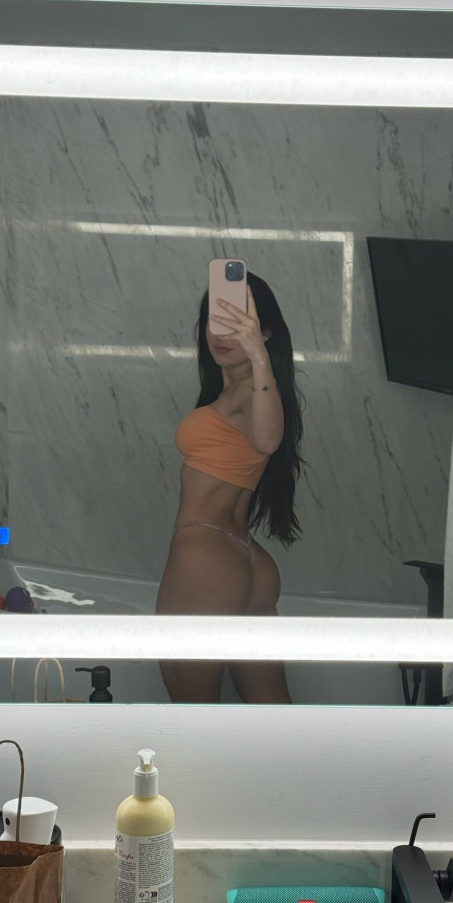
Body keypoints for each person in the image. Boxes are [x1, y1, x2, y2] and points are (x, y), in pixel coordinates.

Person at [156, 271, 304, 702]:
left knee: (195, 718)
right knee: (274, 717)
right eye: (216, 321)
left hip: (206, 560)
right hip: (246, 563)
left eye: (239, 325)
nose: (221, 335)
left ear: (265, 333)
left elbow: (269, 440)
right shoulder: (236, 392)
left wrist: (258, 358)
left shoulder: (253, 393)